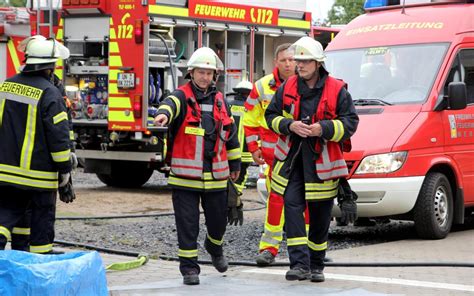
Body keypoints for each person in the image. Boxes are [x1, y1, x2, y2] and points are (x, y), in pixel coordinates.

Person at [265, 36, 359, 282]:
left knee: (319, 216)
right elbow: (270, 115)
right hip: (293, 159)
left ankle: (316, 265)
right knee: (293, 207)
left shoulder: (337, 89)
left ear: (318, 63)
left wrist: (324, 128)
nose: (300, 65)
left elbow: (350, 123)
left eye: (305, 61)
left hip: (322, 163)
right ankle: (299, 264)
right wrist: (289, 125)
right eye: (298, 61)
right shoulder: (288, 86)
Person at [154, 47, 241, 286]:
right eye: (200, 72)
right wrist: (162, 115)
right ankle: (189, 269)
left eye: (209, 73)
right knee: (187, 226)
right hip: (185, 178)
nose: (205, 77)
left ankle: (214, 245)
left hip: (216, 177)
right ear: (191, 72)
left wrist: (235, 164)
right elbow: (168, 105)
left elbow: (231, 135)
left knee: (218, 223)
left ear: (215, 76)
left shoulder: (222, 101)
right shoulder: (181, 96)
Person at [0, 36, 72, 254]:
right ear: (50, 66)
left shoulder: (6, 86)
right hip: (39, 175)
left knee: (6, 214)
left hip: (5, 171)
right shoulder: (50, 93)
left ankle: (13, 252)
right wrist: (65, 169)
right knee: (42, 218)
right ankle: (40, 261)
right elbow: (59, 137)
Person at [243, 43, 302, 266]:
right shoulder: (261, 86)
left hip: (300, 154)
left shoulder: (307, 83)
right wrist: (253, 148)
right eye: (284, 60)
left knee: (303, 202)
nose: (288, 64)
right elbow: (249, 120)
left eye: (292, 59)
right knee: (276, 201)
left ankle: (304, 251)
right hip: (273, 156)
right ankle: (268, 249)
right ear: (275, 62)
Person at [226, 80, 254, 194]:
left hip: (229, 152)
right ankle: (234, 205)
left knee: (226, 178)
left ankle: (227, 201)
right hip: (246, 153)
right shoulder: (252, 108)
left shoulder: (228, 106)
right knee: (239, 179)